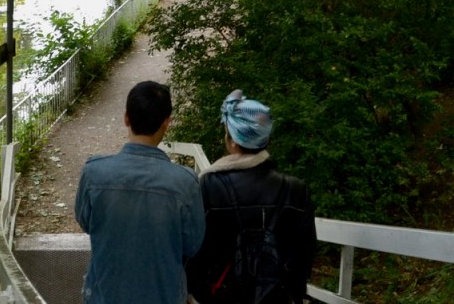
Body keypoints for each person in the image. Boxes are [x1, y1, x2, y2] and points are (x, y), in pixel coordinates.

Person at [75, 81, 206, 303]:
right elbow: (192, 245)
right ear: (166, 123)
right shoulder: (185, 182)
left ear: (126, 118)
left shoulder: (94, 172)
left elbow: (87, 223)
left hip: (104, 295)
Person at [186, 90, 316, 304]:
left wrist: (197, 293)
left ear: (232, 141)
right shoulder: (296, 189)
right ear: (266, 138)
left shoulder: (209, 185)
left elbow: (196, 251)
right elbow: (304, 254)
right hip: (277, 298)